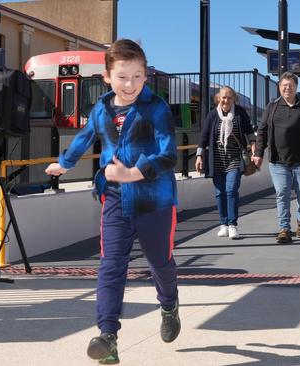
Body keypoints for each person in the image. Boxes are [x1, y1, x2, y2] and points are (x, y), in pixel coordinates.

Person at [45, 39, 180, 364]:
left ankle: (169, 305)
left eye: (137, 76)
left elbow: (168, 154)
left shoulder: (157, 107)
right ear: (107, 76)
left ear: (145, 76)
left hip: (154, 199)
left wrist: (135, 173)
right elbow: (84, 137)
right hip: (116, 199)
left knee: (159, 262)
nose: (130, 84)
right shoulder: (102, 108)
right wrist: (65, 163)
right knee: (111, 264)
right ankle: (108, 337)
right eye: (122, 76)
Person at [252, 72, 300, 244]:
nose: (287, 88)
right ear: (279, 87)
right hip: (278, 161)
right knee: (282, 192)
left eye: (291, 85)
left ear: (296, 87)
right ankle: (284, 228)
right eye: (284, 85)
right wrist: (258, 153)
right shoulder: (272, 106)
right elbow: (262, 131)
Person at [195, 86, 255, 239]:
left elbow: (249, 131)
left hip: (234, 159)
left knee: (231, 190)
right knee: (219, 193)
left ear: (233, 99)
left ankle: (233, 224)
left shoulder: (240, 113)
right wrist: (199, 155)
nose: (226, 100)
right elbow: (204, 136)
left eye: (229, 97)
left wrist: (254, 146)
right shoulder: (212, 115)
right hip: (217, 160)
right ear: (218, 99)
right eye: (223, 97)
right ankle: (223, 224)